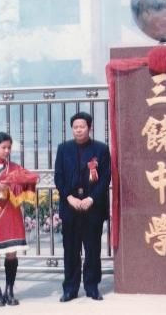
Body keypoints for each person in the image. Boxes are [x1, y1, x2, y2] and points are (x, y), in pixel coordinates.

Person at [54, 112, 111, 302]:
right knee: (70, 249)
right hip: (70, 207)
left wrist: (91, 199)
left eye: (82, 126)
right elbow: (58, 177)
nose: (78, 130)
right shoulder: (63, 149)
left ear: (89, 128)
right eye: (75, 127)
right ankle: (70, 288)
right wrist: (69, 197)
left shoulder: (101, 149)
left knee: (92, 249)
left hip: (92, 208)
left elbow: (105, 179)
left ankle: (92, 286)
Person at [0, 132, 38, 307]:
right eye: (3, 147)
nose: (6, 151)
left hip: (12, 212)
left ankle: (9, 289)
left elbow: (25, 182)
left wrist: (26, 180)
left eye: (9, 148)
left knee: (12, 252)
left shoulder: (14, 166)